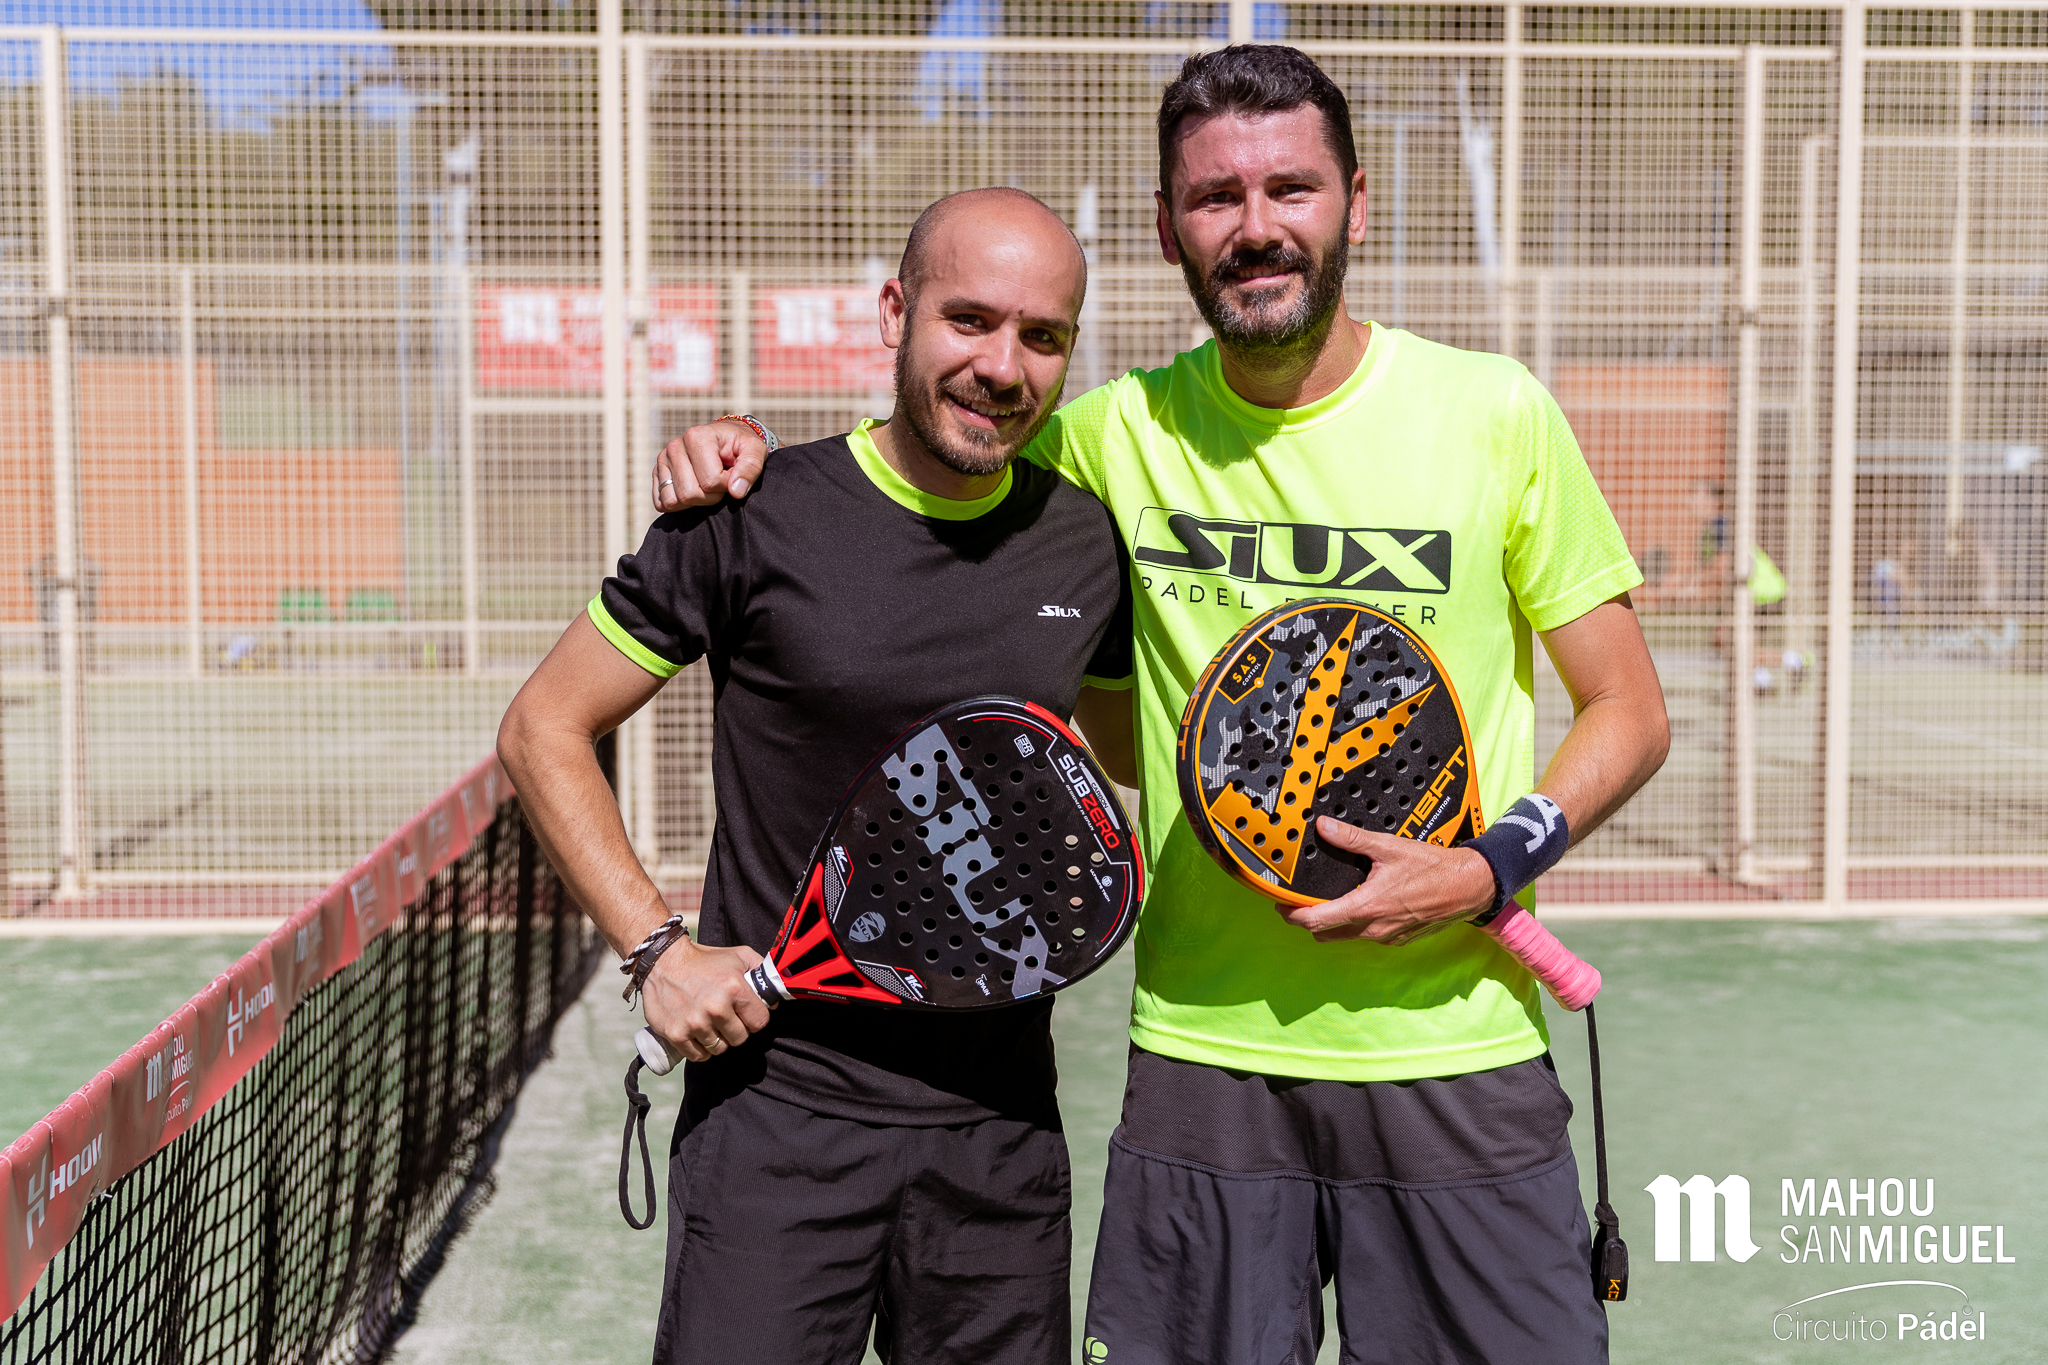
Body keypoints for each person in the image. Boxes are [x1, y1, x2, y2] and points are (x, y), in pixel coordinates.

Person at [657, 45, 1670, 1365]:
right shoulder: (1103, 439)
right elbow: (923, 454)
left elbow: (1627, 709)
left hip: (1456, 1052)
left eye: (1290, 188)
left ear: (1356, 204)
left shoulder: (1493, 413)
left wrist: (1485, 868)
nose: (1255, 226)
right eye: (1214, 197)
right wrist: (739, 448)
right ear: (1167, 228)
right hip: (1201, 1059)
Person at [497, 187, 1135, 1365]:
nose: (1001, 366)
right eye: (967, 320)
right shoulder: (749, 516)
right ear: (895, 313)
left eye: (1040, 336)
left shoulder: (1083, 546)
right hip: (773, 1125)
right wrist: (653, 951)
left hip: (999, 1137)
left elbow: (1119, 749)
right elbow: (544, 725)